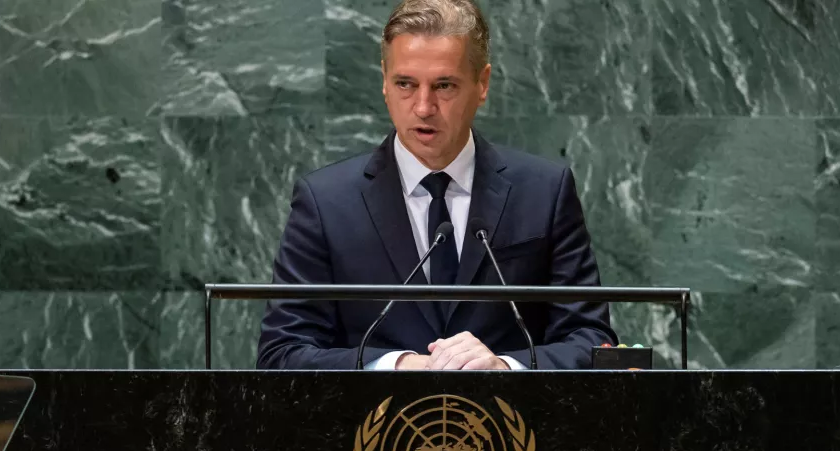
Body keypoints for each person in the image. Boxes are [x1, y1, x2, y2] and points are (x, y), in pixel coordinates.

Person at [257, 0, 617, 371]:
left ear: (483, 83)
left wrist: (506, 367)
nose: (423, 107)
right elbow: (282, 353)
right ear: (384, 80)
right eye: (405, 84)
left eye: (444, 85)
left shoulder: (544, 192)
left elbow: (592, 340)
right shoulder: (326, 202)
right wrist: (395, 366)